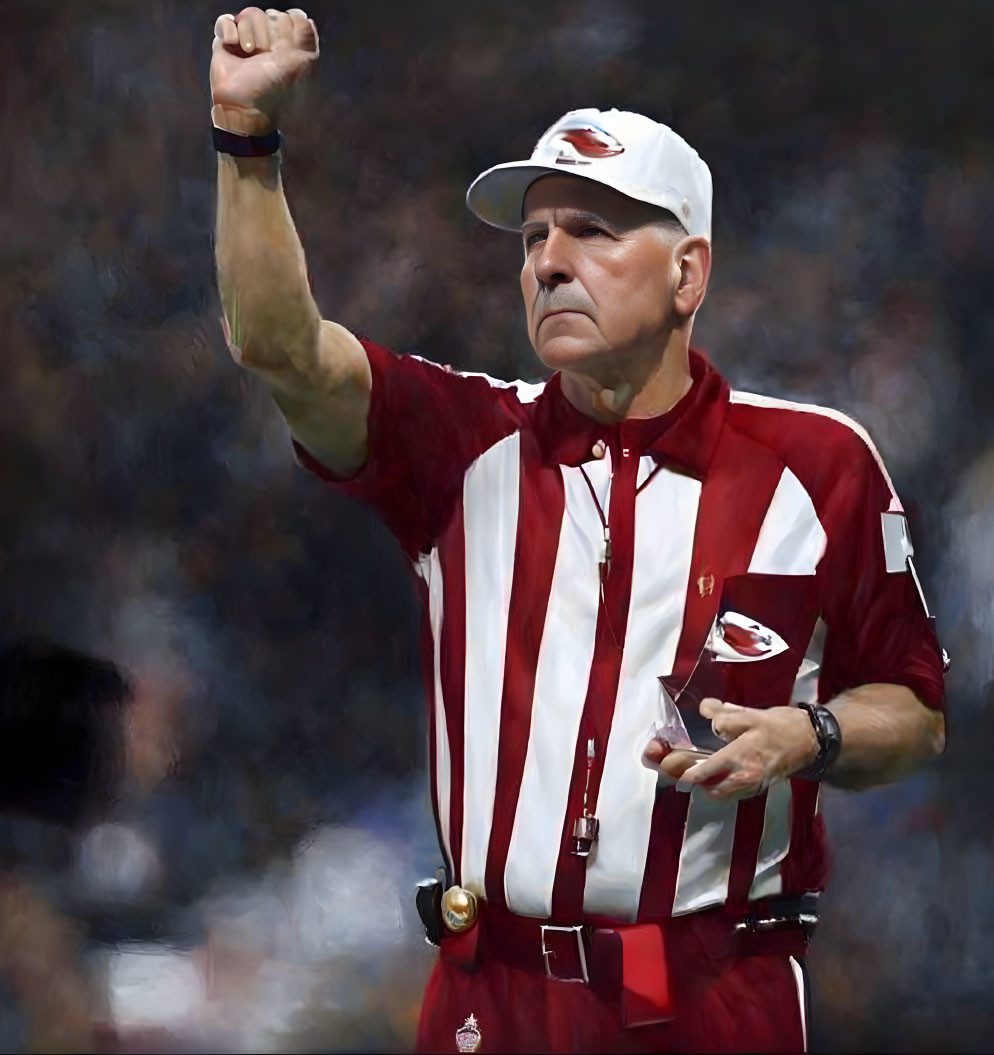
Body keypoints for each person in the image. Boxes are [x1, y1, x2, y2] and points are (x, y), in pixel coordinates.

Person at [209, 9, 947, 1053]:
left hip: (709, 993)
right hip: (488, 989)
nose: (549, 261)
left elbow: (915, 711)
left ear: (688, 272)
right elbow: (281, 348)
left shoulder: (817, 465)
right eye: (533, 237)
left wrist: (809, 734)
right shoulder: (462, 441)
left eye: (593, 231)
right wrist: (247, 145)